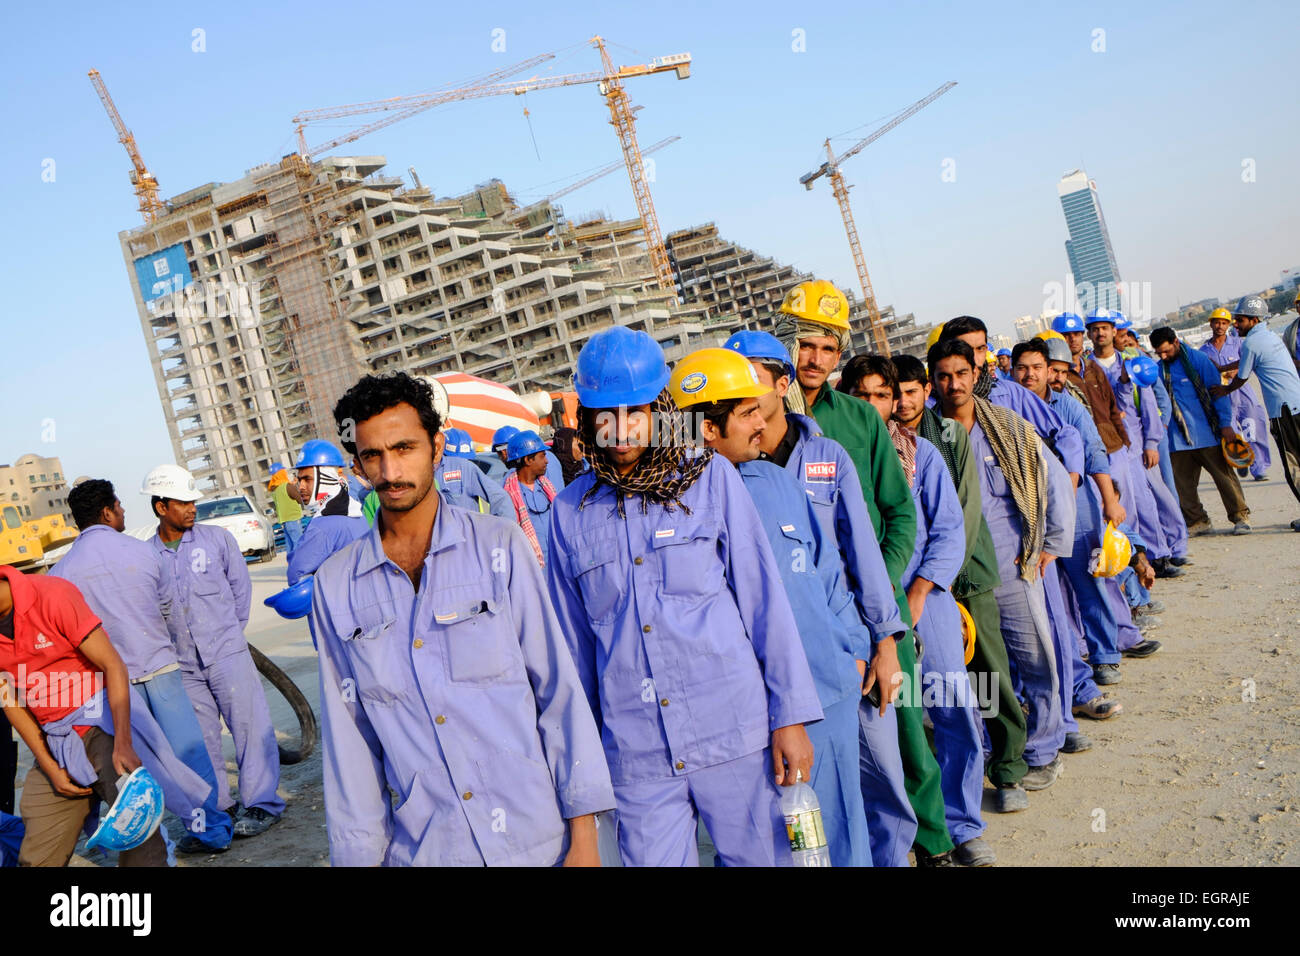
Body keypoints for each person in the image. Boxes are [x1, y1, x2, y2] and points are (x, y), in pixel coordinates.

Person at [311, 372, 613, 866]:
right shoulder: (336, 586)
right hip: (431, 850)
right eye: (373, 456)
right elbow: (350, 745)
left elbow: (557, 692)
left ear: (437, 446)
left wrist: (585, 835)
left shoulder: (499, 546)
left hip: (537, 840)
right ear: (358, 466)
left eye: (404, 448)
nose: (390, 471)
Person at [546, 327, 822, 867]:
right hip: (636, 756)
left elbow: (764, 602)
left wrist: (788, 718)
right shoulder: (569, 513)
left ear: (661, 408)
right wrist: (584, 763)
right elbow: (573, 654)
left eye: (635, 412)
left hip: (736, 735)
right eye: (606, 414)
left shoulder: (711, 478)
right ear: (586, 419)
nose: (621, 430)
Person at [670, 347, 884, 867]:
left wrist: (855, 646)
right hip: (748, 714)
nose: (761, 427)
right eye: (747, 415)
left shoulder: (776, 482)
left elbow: (827, 567)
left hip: (828, 692)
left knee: (843, 833)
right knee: (772, 847)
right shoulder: (679, 503)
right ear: (707, 430)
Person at [770, 281, 955, 864]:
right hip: (794, 626)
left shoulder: (857, 420)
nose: (814, 359)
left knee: (898, 747)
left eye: (827, 348)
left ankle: (928, 844)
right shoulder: (751, 428)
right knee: (803, 781)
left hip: (868, 613)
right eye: (805, 344)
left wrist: (882, 589)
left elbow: (900, 514)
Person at [723, 330, 922, 866]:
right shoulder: (720, 476)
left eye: (751, 384)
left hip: (840, 658)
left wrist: (881, 645)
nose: (740, 399)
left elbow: (861, 552)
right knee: (796, 811)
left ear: (781, 386)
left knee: (875, 779)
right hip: (767, 676)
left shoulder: (826, 455)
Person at [844, 355, 994, 867]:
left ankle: (962, 825)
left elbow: (949, 532)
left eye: (881, 395)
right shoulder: (831, 458)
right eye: (860, 396)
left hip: (923, 600)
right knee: (891, 727)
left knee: (952, 710)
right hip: (865, 610)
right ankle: (904, 837)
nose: (873, 405)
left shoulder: (920, 453)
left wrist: (918, 594)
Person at [49, 479, 233, 853]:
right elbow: (169, 611)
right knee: (189, 756)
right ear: (107, 511)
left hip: (113, 688)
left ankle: (153, 847)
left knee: (132, 769)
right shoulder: (143, 552)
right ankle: (210, 831)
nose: (123, 512)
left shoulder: (60, 573)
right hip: (161, 669)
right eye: (119, 507)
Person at [889, 354, 1038, 812]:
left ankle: (1009, 769)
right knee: (929, 691)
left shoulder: (948, 436)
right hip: (924, 588)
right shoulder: (886, 444)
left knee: (990, 673)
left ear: (924, 391)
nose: (903, 400)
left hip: (966, 576)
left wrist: (942, 578)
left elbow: (965, 512)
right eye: (895, 393)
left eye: (911, 390)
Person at [0, 565, 217, 866]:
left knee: (139, 832)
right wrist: (49, 765)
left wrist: (124, 742)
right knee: (36, 853)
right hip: (56, 740)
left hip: (102, 724)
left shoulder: (52, 594)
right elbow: (8, 698)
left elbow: (112, 665)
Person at [930, 338, 1073, 793]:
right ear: (933, 380)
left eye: (961, 374)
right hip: (957, 573)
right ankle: (991, 751)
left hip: (1013, 564)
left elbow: (1050, 480)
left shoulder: (1006, 426)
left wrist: (1049, 544)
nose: (954, 384)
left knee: (1034, 656)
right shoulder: (924, 435)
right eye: (944, 376)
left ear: (976, 375)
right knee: (979, 670)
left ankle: (1044, 748)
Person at [144, 464, 284, 838]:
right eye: (183, 502)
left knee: (250, 728)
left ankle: (262, 803)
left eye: (194, 501)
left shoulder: (216, 540)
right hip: (184, 665)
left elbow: (241, 593)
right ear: (161, 507)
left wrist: (228, 637)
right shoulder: (147, 557)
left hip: (227, 653)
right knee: (202, 740)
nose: (192, 508)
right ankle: (222, 808)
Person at [1012, 339, 1150, 699]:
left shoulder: (1067, 406)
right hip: (1029, 511)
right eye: (1022, 368)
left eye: (1036, 368)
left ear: (1048, 371)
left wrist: (1109, 501)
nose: (1029, 375)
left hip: (1077, 507)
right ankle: (1074, 656)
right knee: (1050, 592)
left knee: (1090, 583)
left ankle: (1105, 654)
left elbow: (1093, 452)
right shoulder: (1005, 410)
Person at [1147, 327, 1250, 535]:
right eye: (1159, 354)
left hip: (1207, 433)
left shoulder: (1199, 361)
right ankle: (1198, 521)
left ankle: (1240, 517)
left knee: (1225, 478)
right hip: (1176, 439)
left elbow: (1217, 393)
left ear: (1176, 342)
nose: (1163, 356)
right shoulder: (1158, 370)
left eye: (1166, 351)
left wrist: (1226, 424)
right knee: (1183, 485)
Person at [1213, 294, 1300, 530]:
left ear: (1252, 320)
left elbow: (1242, 376)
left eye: (1239, 320)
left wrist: (1223, 390)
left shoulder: (1251, 342)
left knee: (1293, 464)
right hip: (1297, 403)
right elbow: (1246, 362)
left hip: (1283, 410)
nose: (1235, 325)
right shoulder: (1269, 336)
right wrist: (1222, 367)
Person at [1200, 307, 1270, 481]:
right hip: (1221, 397)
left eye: (1224, 323)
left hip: (1242, 393)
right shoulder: (1203, 351)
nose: (1220, 326)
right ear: (1211, 324)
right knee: (1229, 433)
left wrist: (1236, 371)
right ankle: (1241, 461)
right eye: (1217, 322)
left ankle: (1259, 468)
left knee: (1252, 429)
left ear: (1229, 325)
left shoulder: (1239, 344)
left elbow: (1251, 363)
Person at [287, 441, 371, 586]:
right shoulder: (355, 512)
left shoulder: (322, 526)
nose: (300, 487)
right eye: (299, 480)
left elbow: (295, 574)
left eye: (307, 479)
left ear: (325, 478)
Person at [503, 430, 558, 567]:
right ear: (528, 460)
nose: (547, 461)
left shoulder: (547, 488)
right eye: (542, 456)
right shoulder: (508, 495)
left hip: (558, 562)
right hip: (532, 566)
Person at [268, 464, 304, 555]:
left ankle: (290, 562)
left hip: (284, 521)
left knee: (289, 544)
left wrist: (292, 485)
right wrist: (295, 487)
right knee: (298, 543)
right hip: (293, 518)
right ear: (281, 473)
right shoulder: (288, 486)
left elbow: (284, 492)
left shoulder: (275, 489)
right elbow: (300, 499)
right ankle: (298, 563)